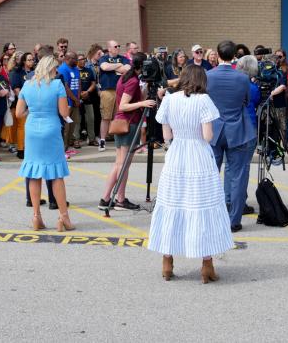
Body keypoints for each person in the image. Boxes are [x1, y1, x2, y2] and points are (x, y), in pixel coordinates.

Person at [148, 65, 232, 283]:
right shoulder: (203, 101)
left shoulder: (169, 99)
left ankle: (167, 262)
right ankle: (206, 264)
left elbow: (166, 135)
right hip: (198, 155)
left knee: (172, 203)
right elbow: (207, 136)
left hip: (177, 155)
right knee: (202, 205)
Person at [16, 55, 76, 232]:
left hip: (32, 128)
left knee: (34, 172)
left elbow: (19, 113)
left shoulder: (27, 85)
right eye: (55, 68)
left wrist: (33, 112)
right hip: (51, 128)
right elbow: (64, 112)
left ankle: (36, 217)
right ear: (50, 68)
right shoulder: (57, 85)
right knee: (56, 173)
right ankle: (63, 217)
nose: (57, 71)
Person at [206, 40, 256, 232]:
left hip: (214, 130)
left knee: (210, 175)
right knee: (238, 176)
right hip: (238, 130)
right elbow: (246, 100)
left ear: (217, 55)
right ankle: (234, 220)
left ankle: (210, 216)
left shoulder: (208, 75)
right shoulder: (242, 78)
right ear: (234, 56)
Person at [99, 54, 156, 211]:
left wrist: (143, 93)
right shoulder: (132, 80)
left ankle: (106, 198)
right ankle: (120, 200)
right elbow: (124, 105)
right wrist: (143, 102)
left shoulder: (125, 77)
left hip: (123, 123)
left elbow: (130, 100)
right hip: (128, 124)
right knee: (123, 165)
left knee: (119, 164)